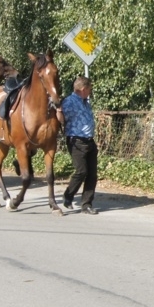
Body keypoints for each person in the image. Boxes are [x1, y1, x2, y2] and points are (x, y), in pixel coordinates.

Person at [58, 76, 99, 215]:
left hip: (89, 141)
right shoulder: (69, 102)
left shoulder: (85, 102)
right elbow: (61, 120)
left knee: (92, 174)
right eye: (89, 89)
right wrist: (58, 110)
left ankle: (86, 204)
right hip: (76, 141)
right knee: (81, 171)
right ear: (83, 89)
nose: (90, 91)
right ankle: (68, 195)